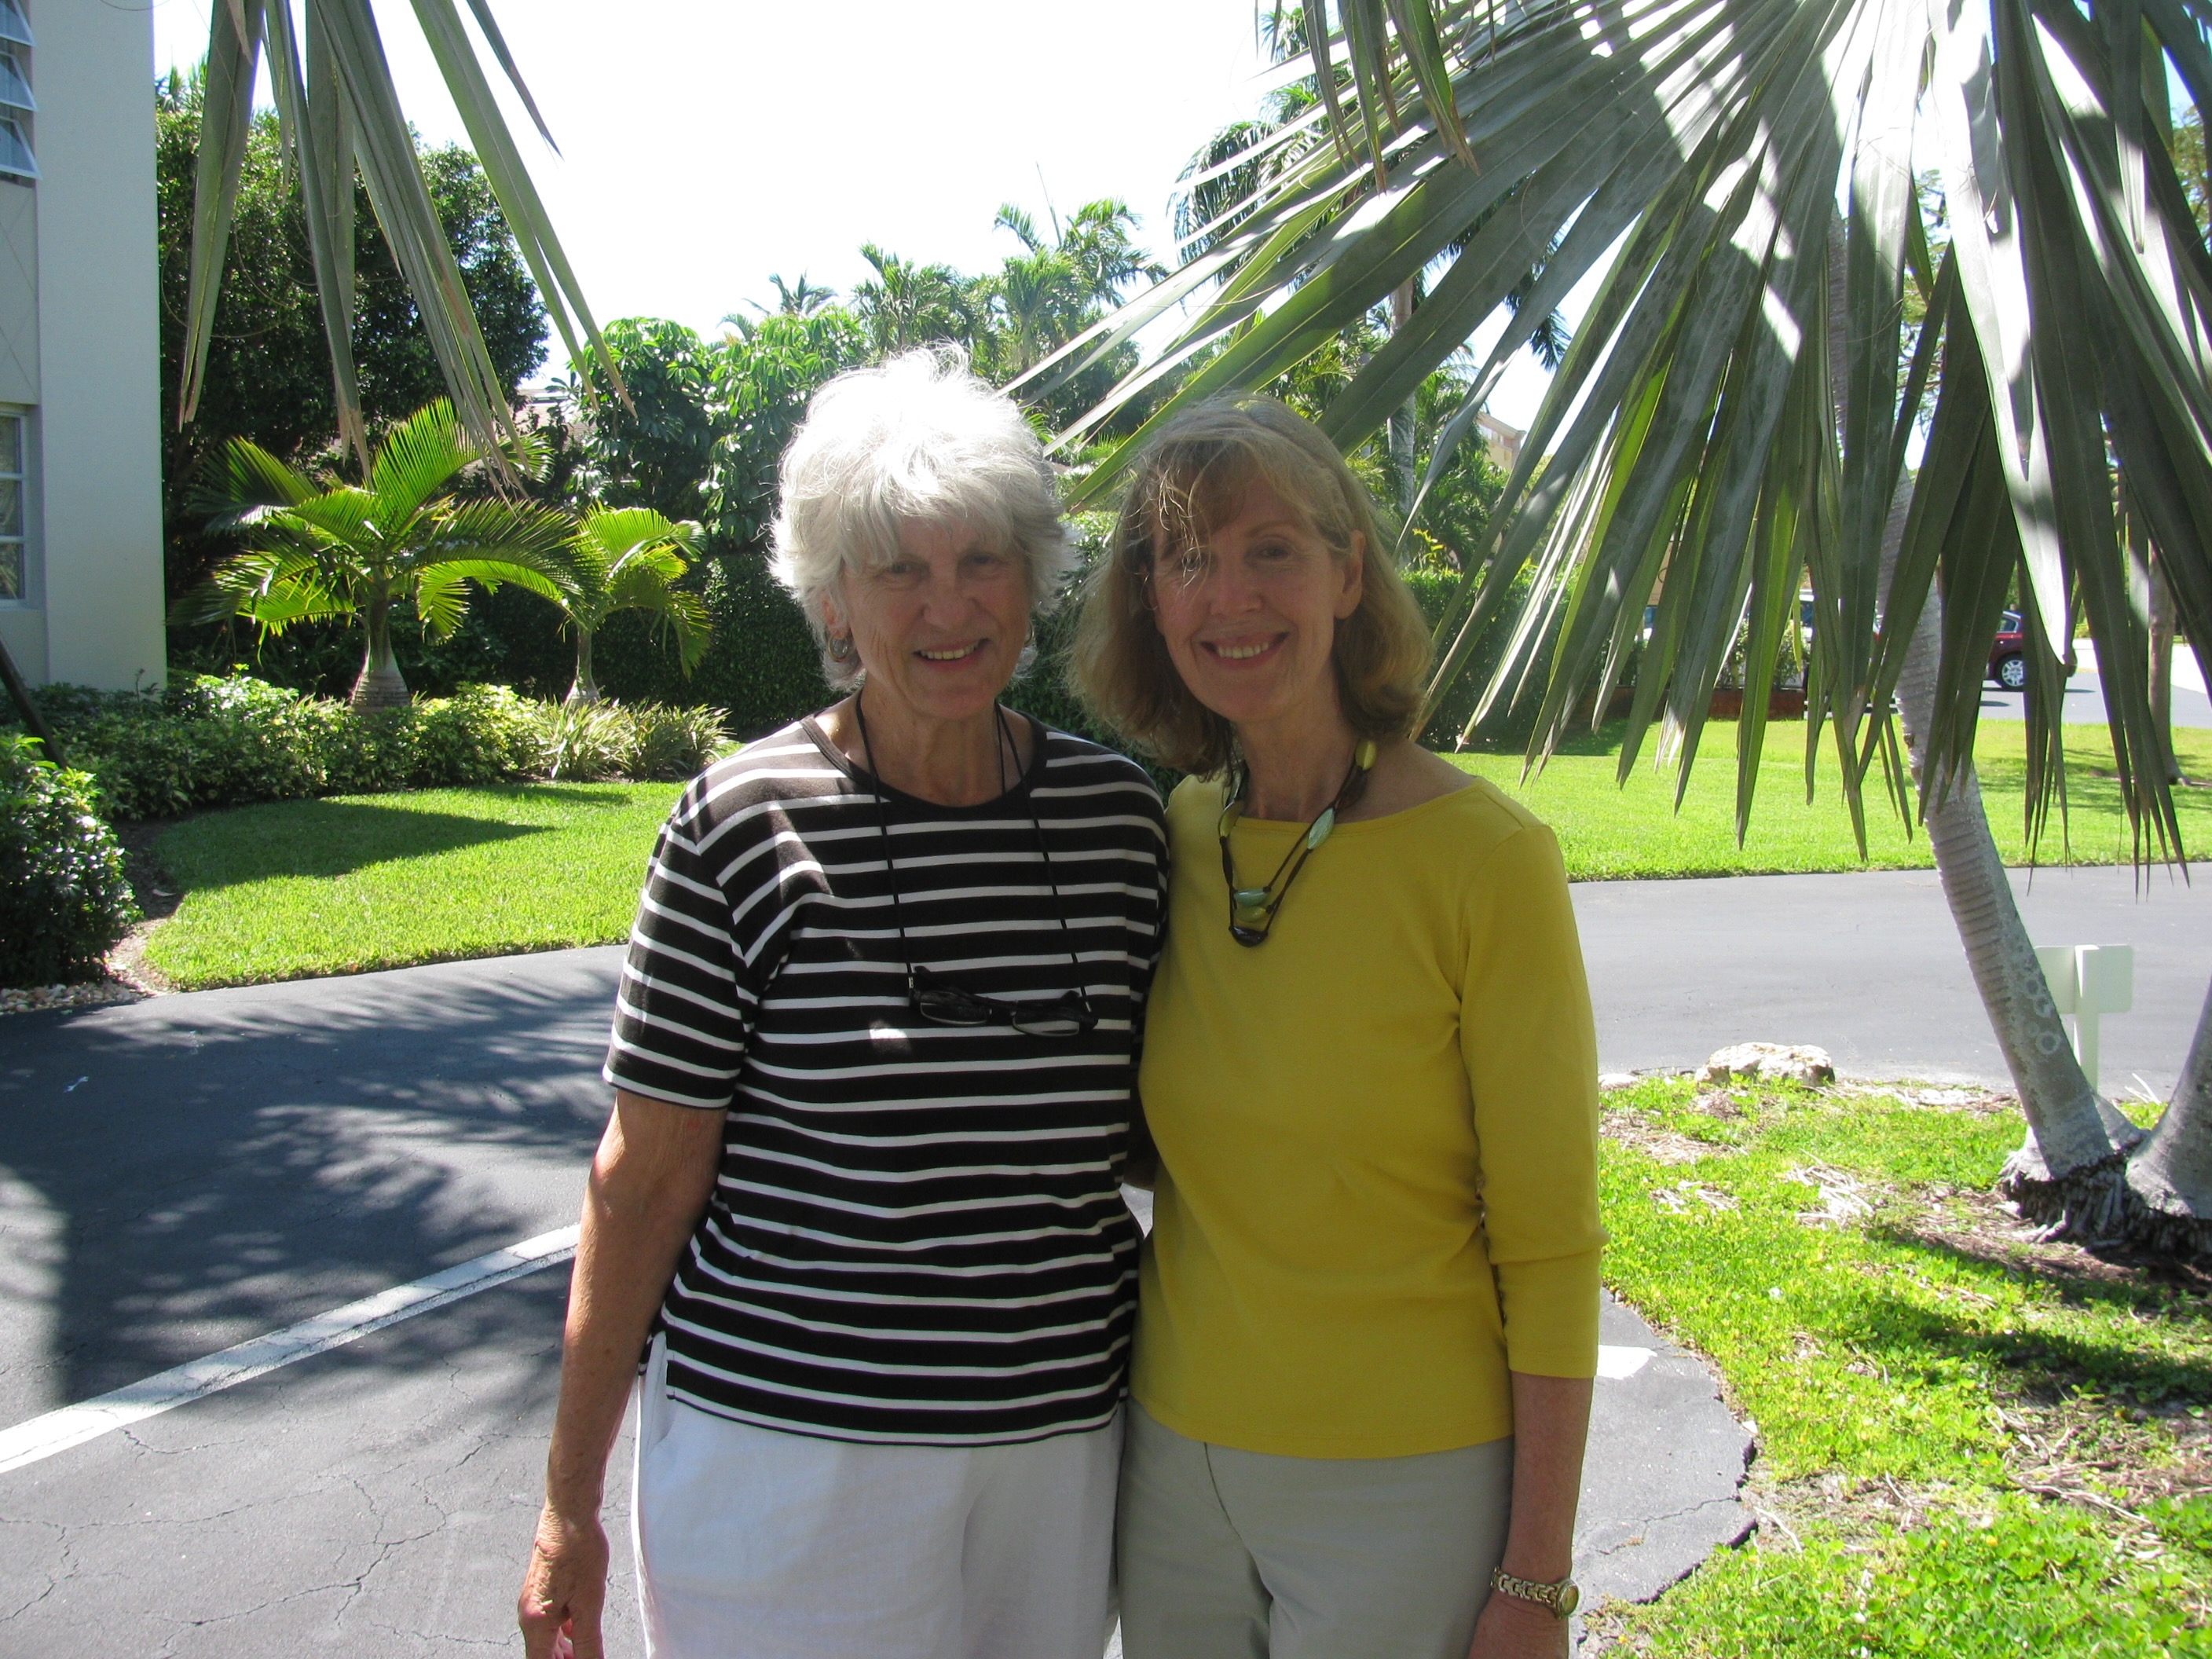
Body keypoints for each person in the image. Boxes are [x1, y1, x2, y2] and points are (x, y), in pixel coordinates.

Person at [518, 349, 1166, 1659]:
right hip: (789, 1465)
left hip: (1056, 1459)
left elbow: (1173, 1130)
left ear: (1032, 576)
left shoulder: (1117, 824)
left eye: (981, 560)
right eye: (898, 569)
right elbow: (642, 1182)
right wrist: (566, 1507)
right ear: (832, 599)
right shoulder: (740, 824)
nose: (949, 606)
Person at [1072, 396, 1602, 1659]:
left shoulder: (1487, 861)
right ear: (1151, 600)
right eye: (1188, 558)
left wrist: (1536, 1580)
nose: (1231, 596)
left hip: (1404, 1481)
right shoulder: (1176, 832)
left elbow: (1552, 1246)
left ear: (1348, 574)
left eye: (1272, 550)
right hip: (1172, 1465)